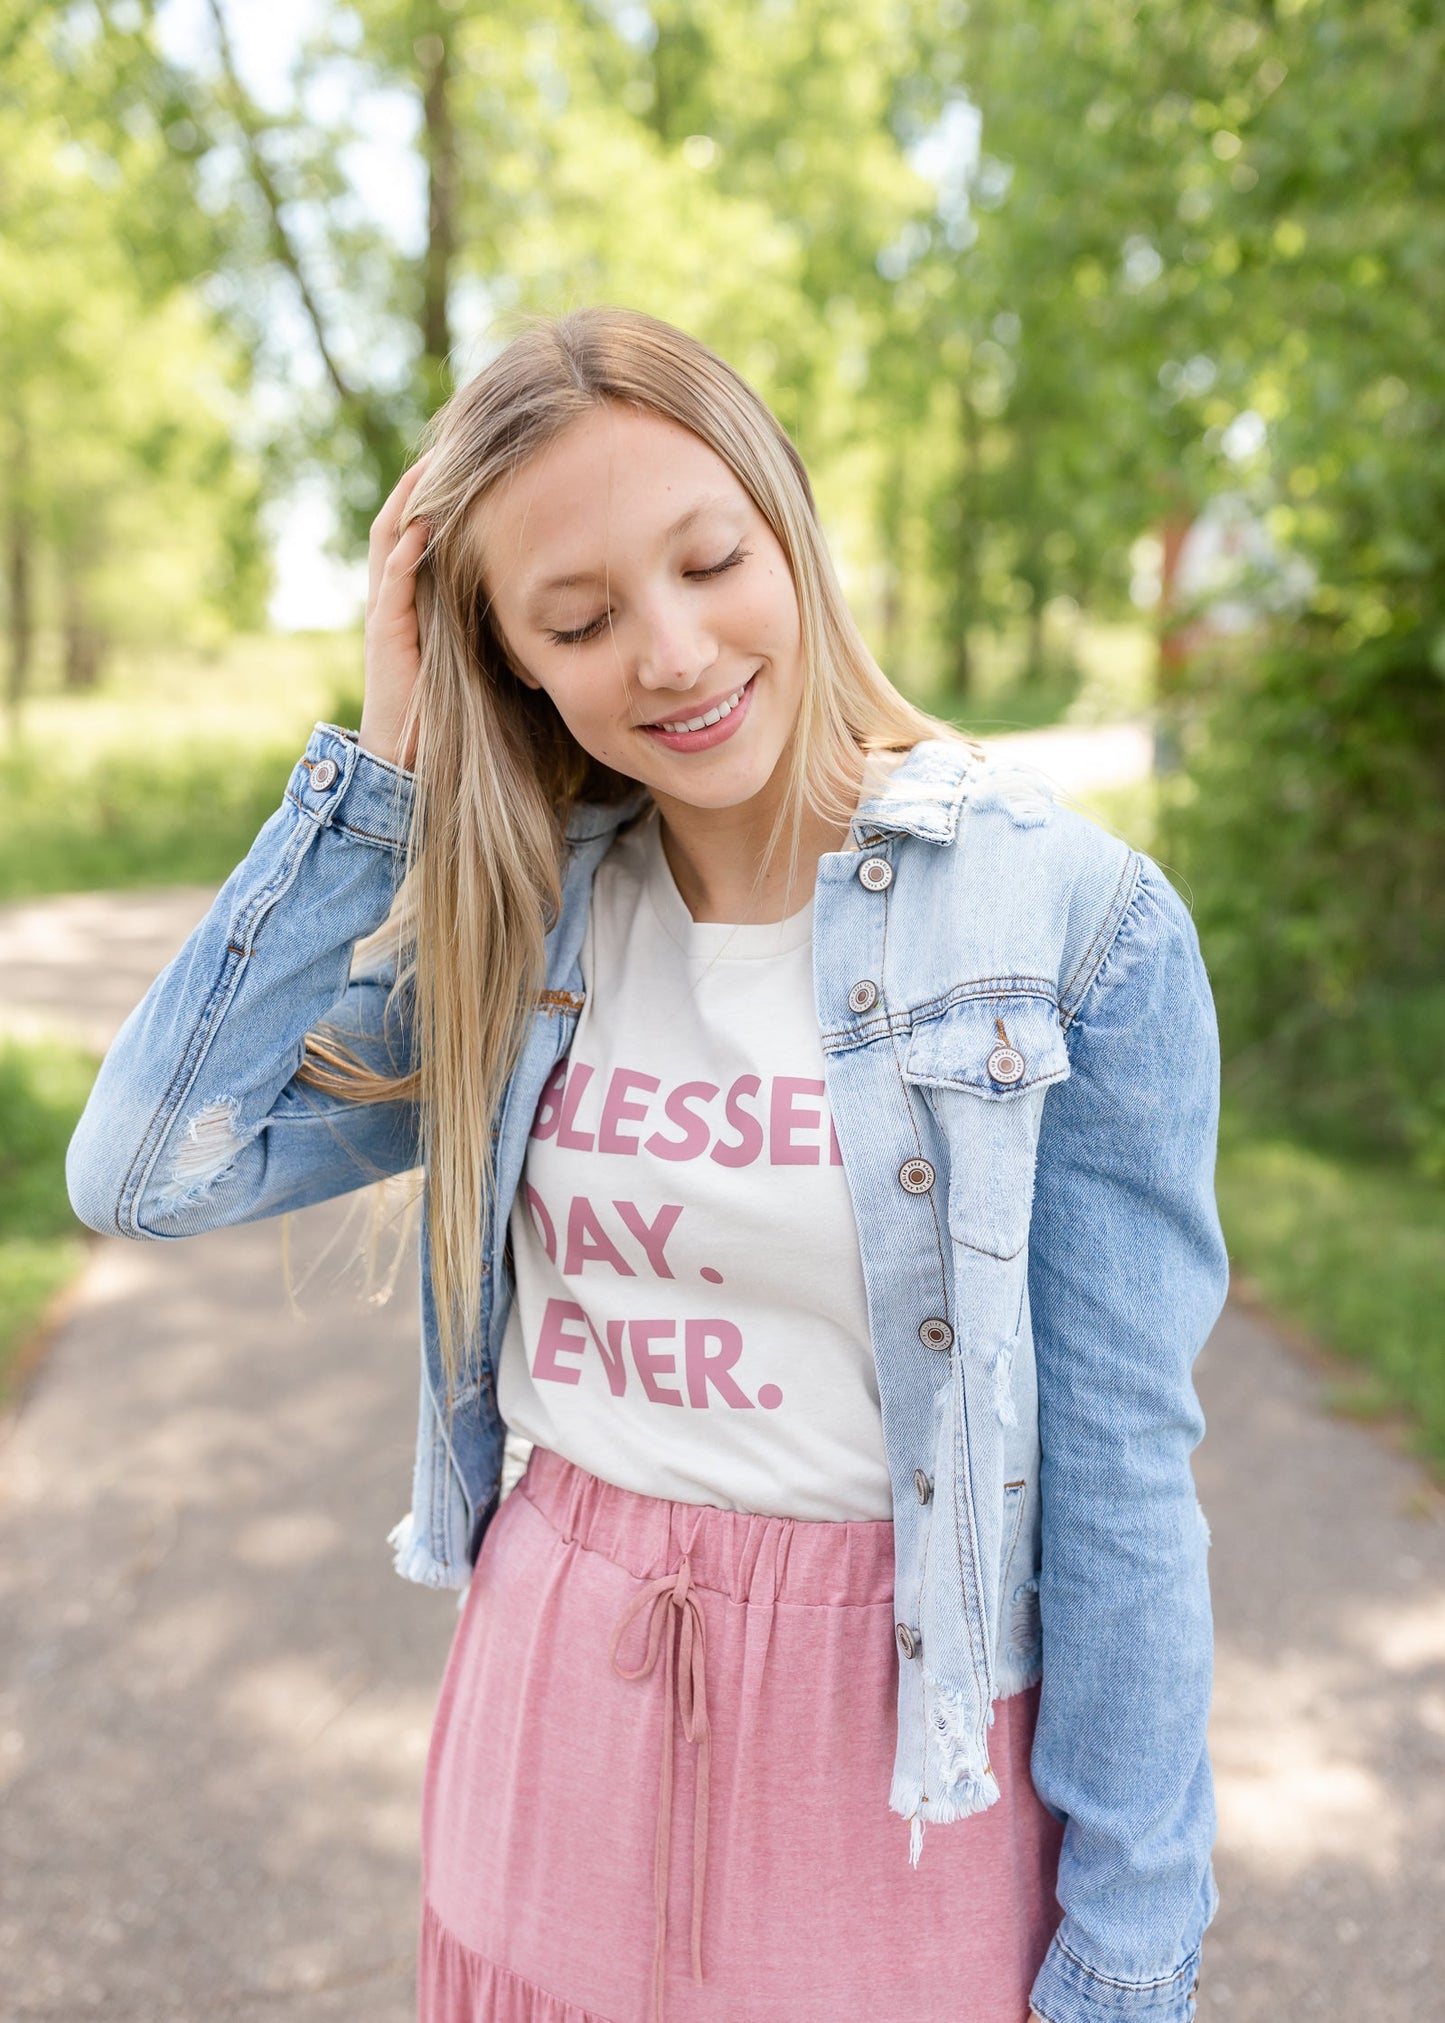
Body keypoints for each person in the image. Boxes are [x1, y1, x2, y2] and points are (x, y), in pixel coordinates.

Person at [67, 306, 1228, 2023]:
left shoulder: (1063, 920)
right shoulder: (522, 915)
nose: (673, 654)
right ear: (511, 659)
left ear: (790, 528)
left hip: (887, 1757)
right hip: (551, 1719)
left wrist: (1129, 1949)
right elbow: (148, 1168)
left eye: (709, 561)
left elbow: (1123, 1482)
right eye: (579, 618)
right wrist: (381, 770)